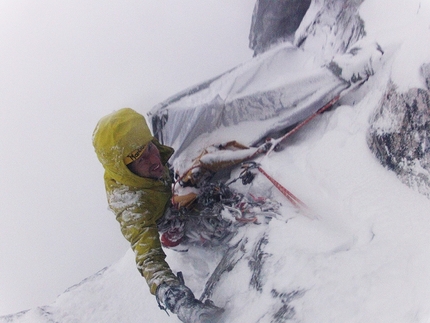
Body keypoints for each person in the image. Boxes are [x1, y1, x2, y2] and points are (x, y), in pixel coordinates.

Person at [92, 108, 224, 323]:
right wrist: (177, 299)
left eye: (151, 148)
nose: (154, 159)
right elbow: (148, 258)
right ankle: (181, 235)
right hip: (169, 215)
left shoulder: (150, 152)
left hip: (171, 188)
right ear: (125, 169)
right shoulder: (130, 204)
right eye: (142, 160)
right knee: (212, 221)